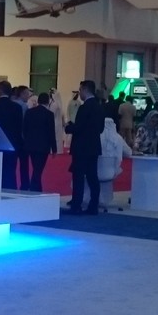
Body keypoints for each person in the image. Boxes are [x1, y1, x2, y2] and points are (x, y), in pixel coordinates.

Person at [64, 79, 103, 214]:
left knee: (78, 177)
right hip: (94, 147)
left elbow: (79, 127)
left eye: (80, 90)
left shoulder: (84, 107)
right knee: (93, 177)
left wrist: (68, 127)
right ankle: (93, 206)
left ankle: (76, 205)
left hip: (81, 147)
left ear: (85, 90)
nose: (79, 93)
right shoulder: (99, 106)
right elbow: (101, 128)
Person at [0, 79, 24, 189]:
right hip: (12, 144)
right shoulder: (17, 107)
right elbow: (19, 127)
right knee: (10, 171)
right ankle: (10, 192)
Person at [22, 91, 56, 192]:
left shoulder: (29, 112)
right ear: (48, 101)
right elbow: (51, 132)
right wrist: (54, 148)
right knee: (38, 169)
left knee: (36, 168)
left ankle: (37, 189)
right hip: (43, 146)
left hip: (31, 144)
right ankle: (34, 189)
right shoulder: (49, 114)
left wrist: (27, 140)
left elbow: (25, 129)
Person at [98, 116, 130, 206]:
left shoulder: (95, 136)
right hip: (111, 172)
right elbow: (128, 152)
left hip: (94, 171)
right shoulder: (118, 138)